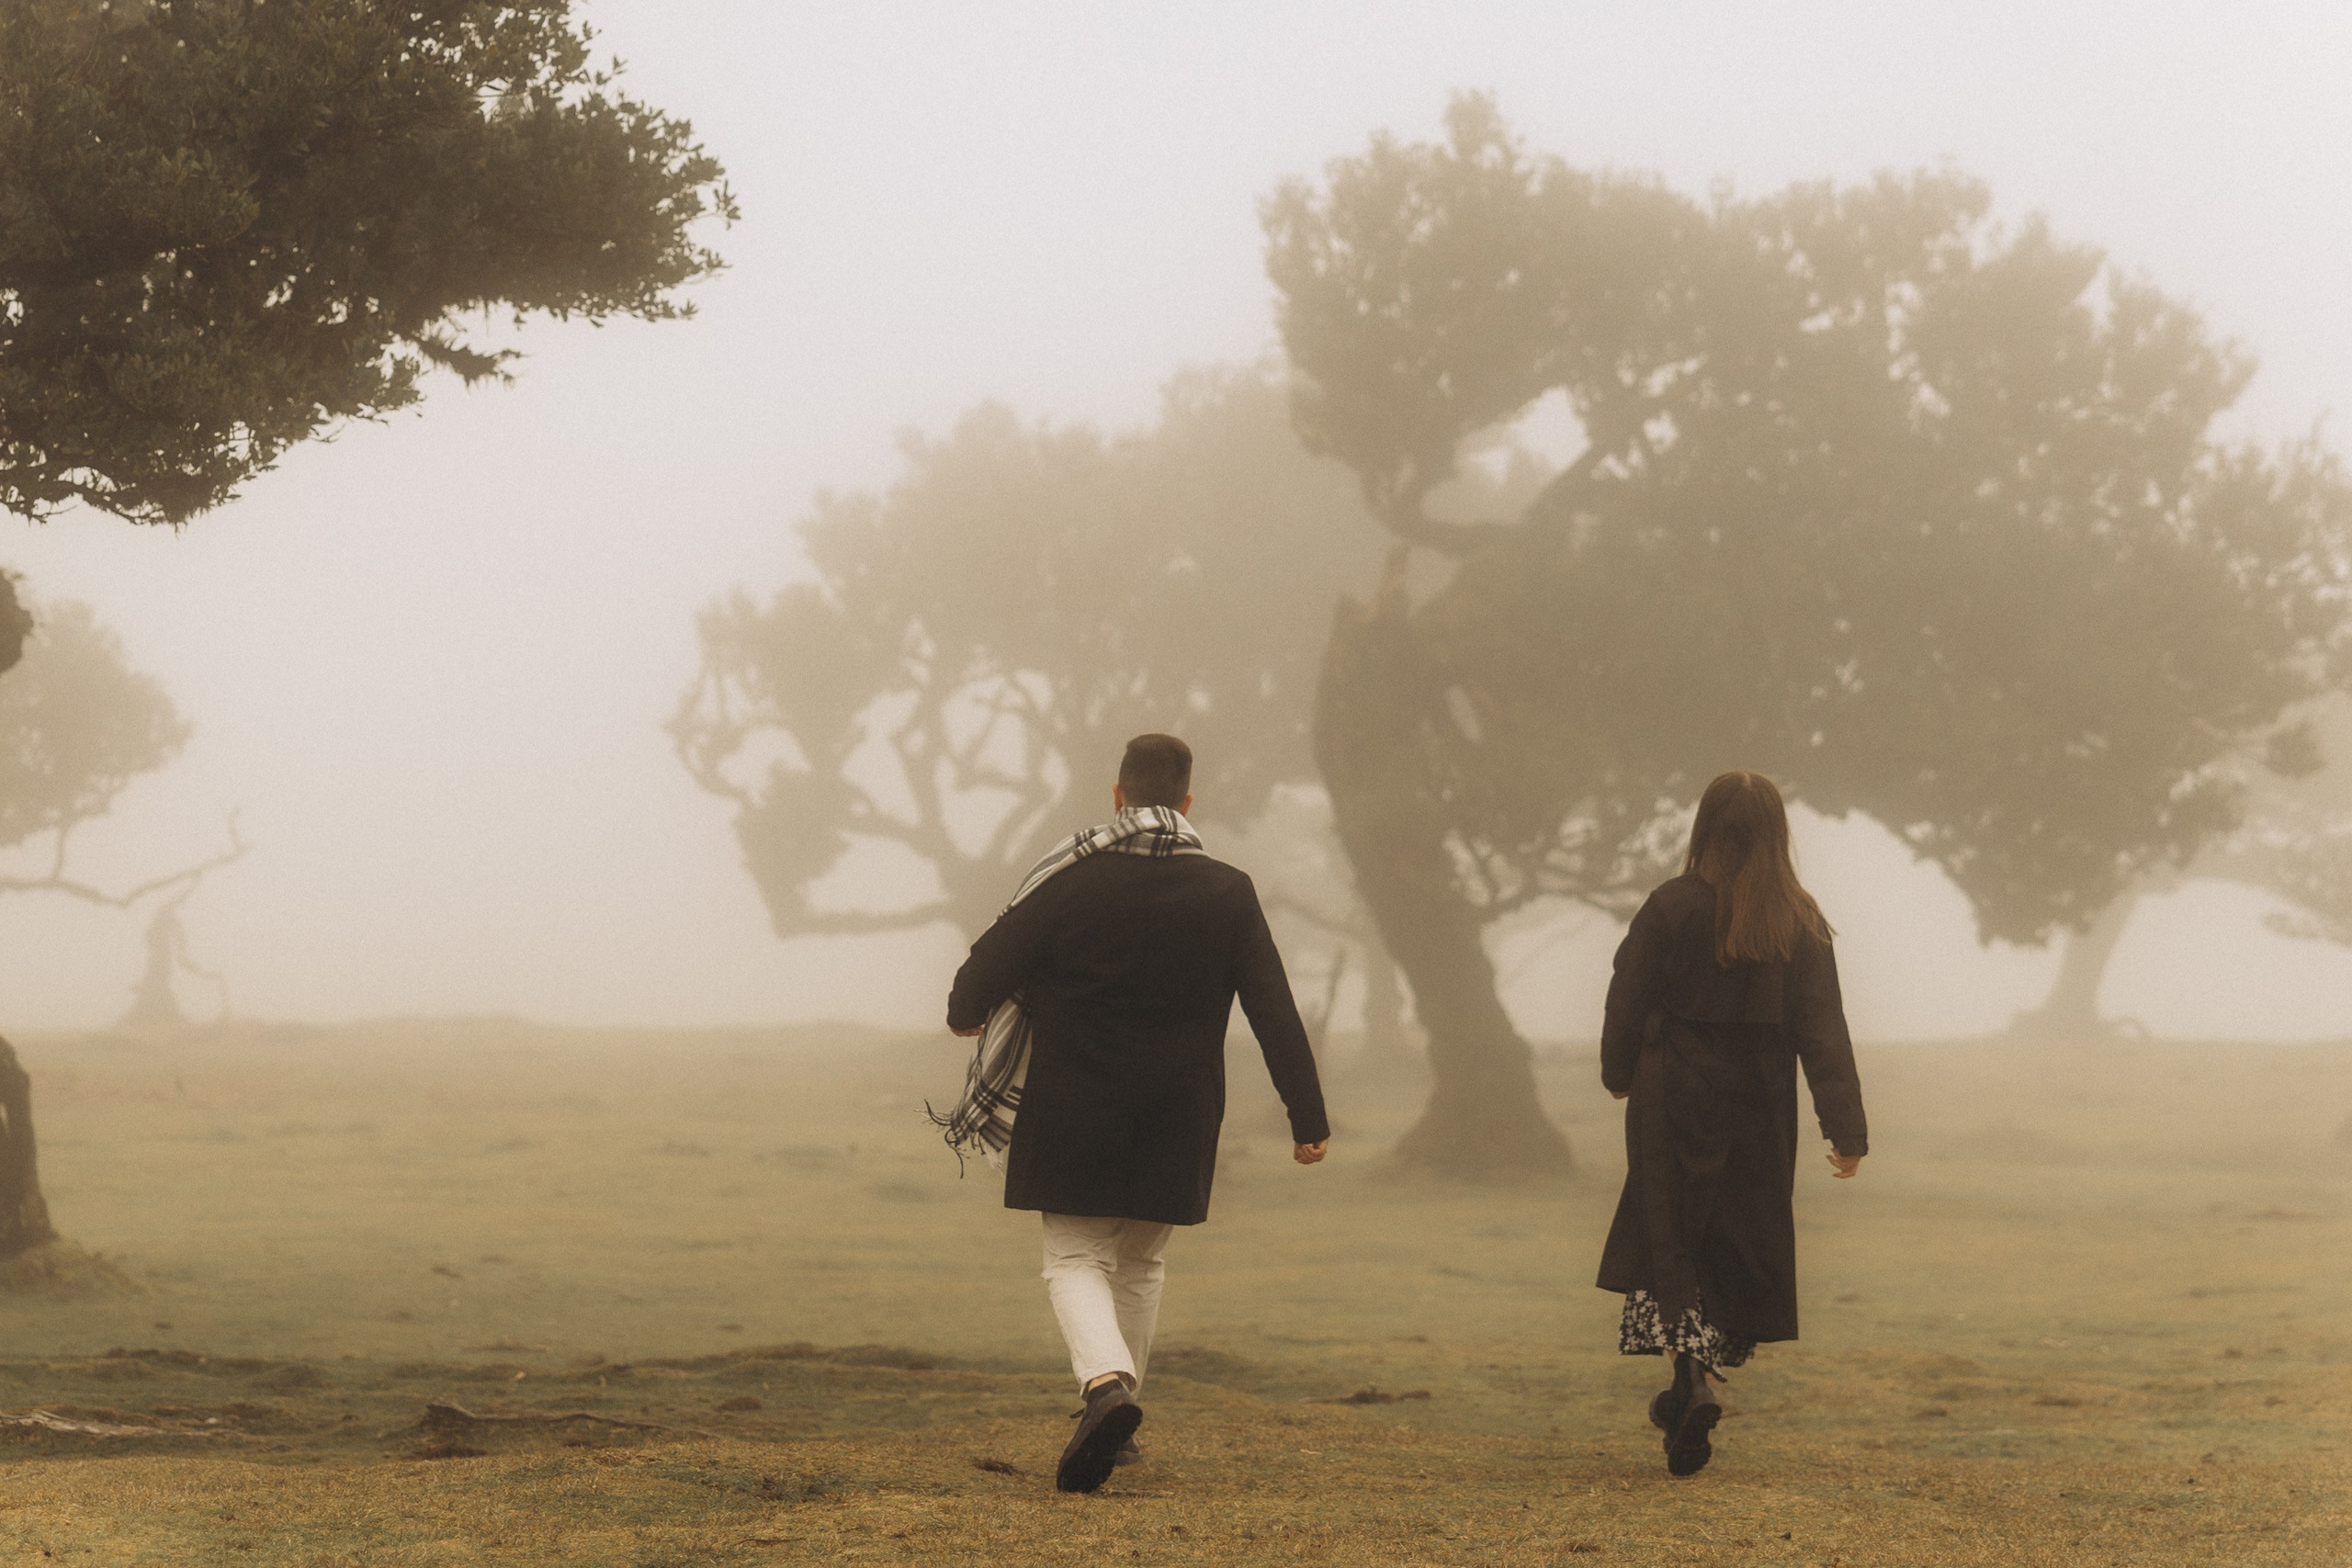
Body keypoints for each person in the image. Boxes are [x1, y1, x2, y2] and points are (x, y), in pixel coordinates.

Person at [943, 733, 1330, 1494]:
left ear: (1117, 796)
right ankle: (1115, 1425)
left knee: (1074, 1256)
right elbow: (1273, 1007)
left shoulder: (1072, 880)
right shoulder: (1228, 890)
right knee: (1142, 1260)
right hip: (1179, 1109)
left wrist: (966, 1012)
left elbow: (986, 962)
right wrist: (1306, 1115)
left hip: (1074, 1103)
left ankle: (1106, 1391)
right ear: (1187, 804)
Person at [1595, 770, 1869, 1477]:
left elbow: (1626, 996)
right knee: (1736, 1237)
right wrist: (1846, 1127)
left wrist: (1619, 1071)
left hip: (1674, 1093)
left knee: (1675, 1229)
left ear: (1705, 828)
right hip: (1759, 1101)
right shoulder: (1799, 919)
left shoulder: (1671, 906)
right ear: (1777, 834)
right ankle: (1694, 1377)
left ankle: (1687, 1378)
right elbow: (1823, 1028)